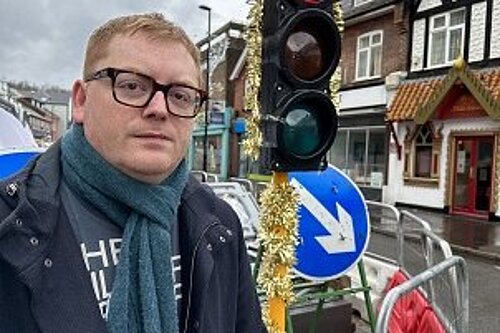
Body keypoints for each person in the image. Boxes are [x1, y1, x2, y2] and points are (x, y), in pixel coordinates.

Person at [0, 13, 266, 333]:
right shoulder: (10, 223)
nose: (159, 108)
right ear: (81, 101)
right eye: (132, 85)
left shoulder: (220, 225)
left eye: (180, 95)